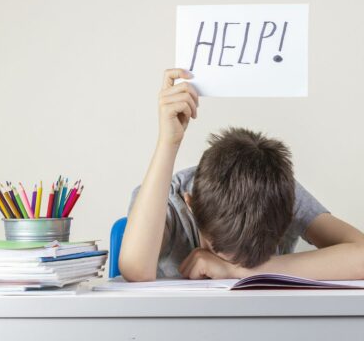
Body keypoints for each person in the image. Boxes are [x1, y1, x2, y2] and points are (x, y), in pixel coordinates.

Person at [119, 69, 364, 281]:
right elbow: (136, 270)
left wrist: (240, 272)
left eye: (252, 260)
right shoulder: (166, 199)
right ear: (190, 204)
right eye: (221, 251)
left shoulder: (278, 191)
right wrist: (168, 141)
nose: (237, 263)